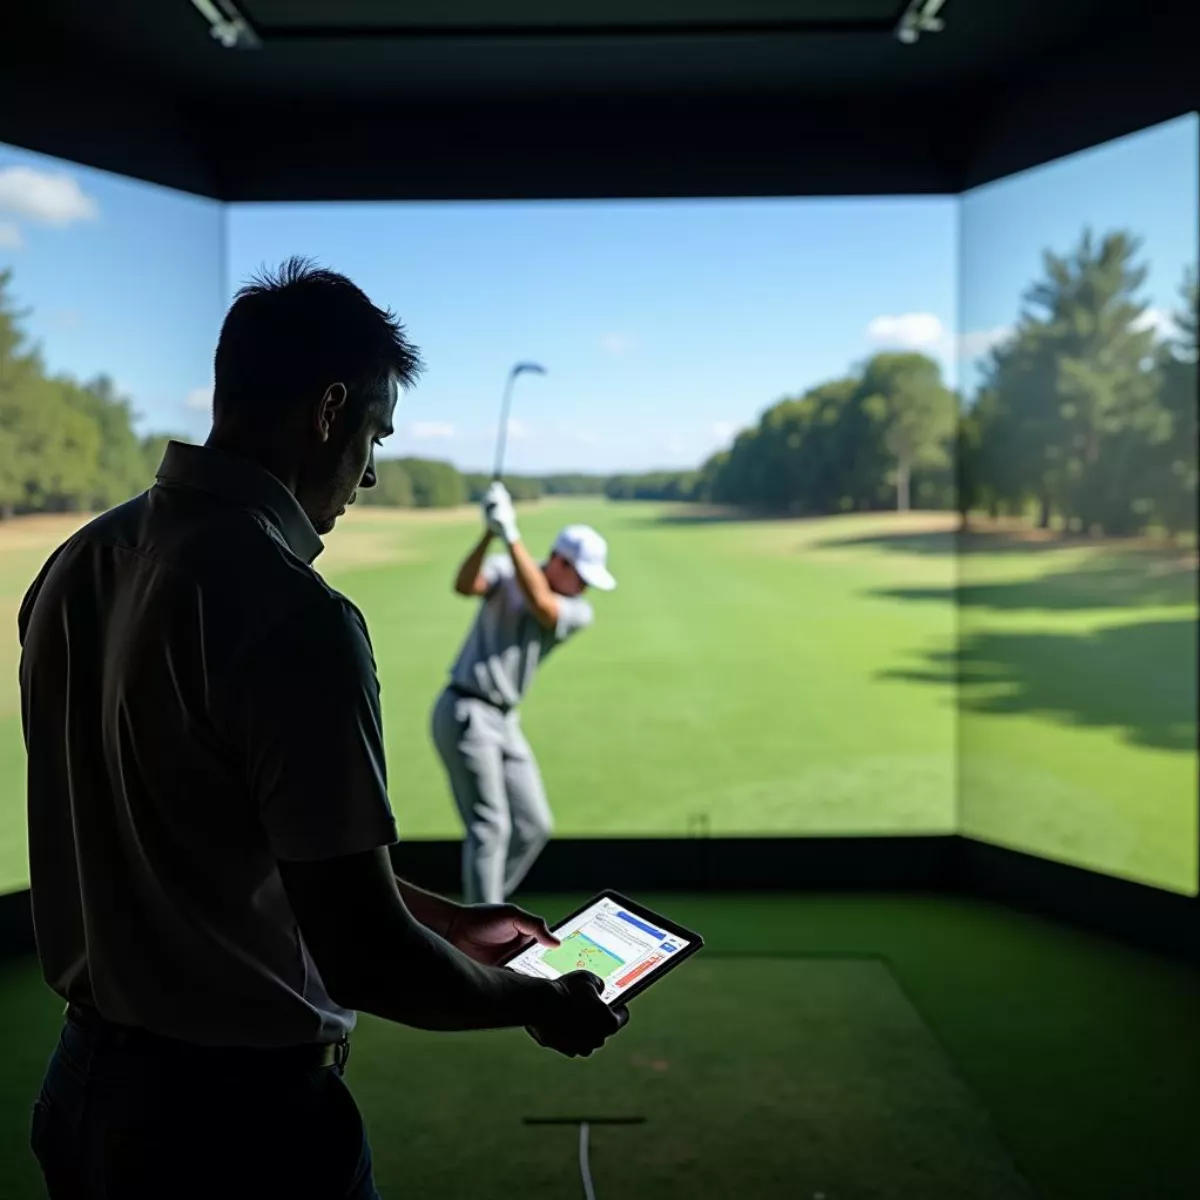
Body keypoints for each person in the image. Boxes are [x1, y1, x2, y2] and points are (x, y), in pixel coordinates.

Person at [18, 257, 627, 1200]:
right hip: (239, 1134)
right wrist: (537, 1004)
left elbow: (249, 854)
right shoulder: (296, 616)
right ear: (329, 411)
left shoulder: (76, 565)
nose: (372, 472)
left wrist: (449, 917)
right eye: (375, 434)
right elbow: (363, 953)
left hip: (86, 1093)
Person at [433, 484, 616, 905]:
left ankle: (484, 914)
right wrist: (489, 533)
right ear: (559, 562)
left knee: (534, 825)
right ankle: (484, 938)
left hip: (504, 719)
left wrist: (511, 532)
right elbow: (465, 585)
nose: (585, 589)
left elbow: (542, 604)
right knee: (490, 827)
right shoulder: (506, 567)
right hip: (464, 709)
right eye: (582, 578)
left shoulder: (576, 612)